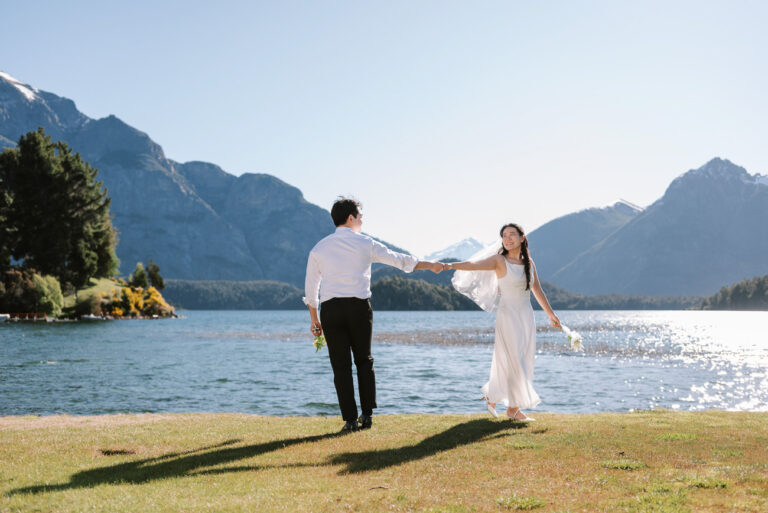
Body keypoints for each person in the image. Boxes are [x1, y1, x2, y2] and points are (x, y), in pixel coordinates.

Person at [304, 197, 443, 432]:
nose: (361, 221)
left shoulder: (319, 248)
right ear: (351, 218)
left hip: (331, 310)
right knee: (364, 361)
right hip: (358, 307)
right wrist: (429, 265)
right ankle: (366, 416)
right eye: (360, 217)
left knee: (341, 366)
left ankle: (349, 420)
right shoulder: (365, 243)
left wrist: (314, 320)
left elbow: (311, 288)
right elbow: (399, 260)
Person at [445, 223, 560, 421]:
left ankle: (495, 397)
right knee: (514, 360)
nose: (507, 238)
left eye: (512, 234)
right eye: (504, 235)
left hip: (526, 315)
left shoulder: (529, 263)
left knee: (521, 360)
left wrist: (551, 315)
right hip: (508, 316)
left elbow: (537, 290)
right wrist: (450, 265)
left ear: (522, 238)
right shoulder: (499, 260)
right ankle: (513, 410)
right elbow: (474, 265)